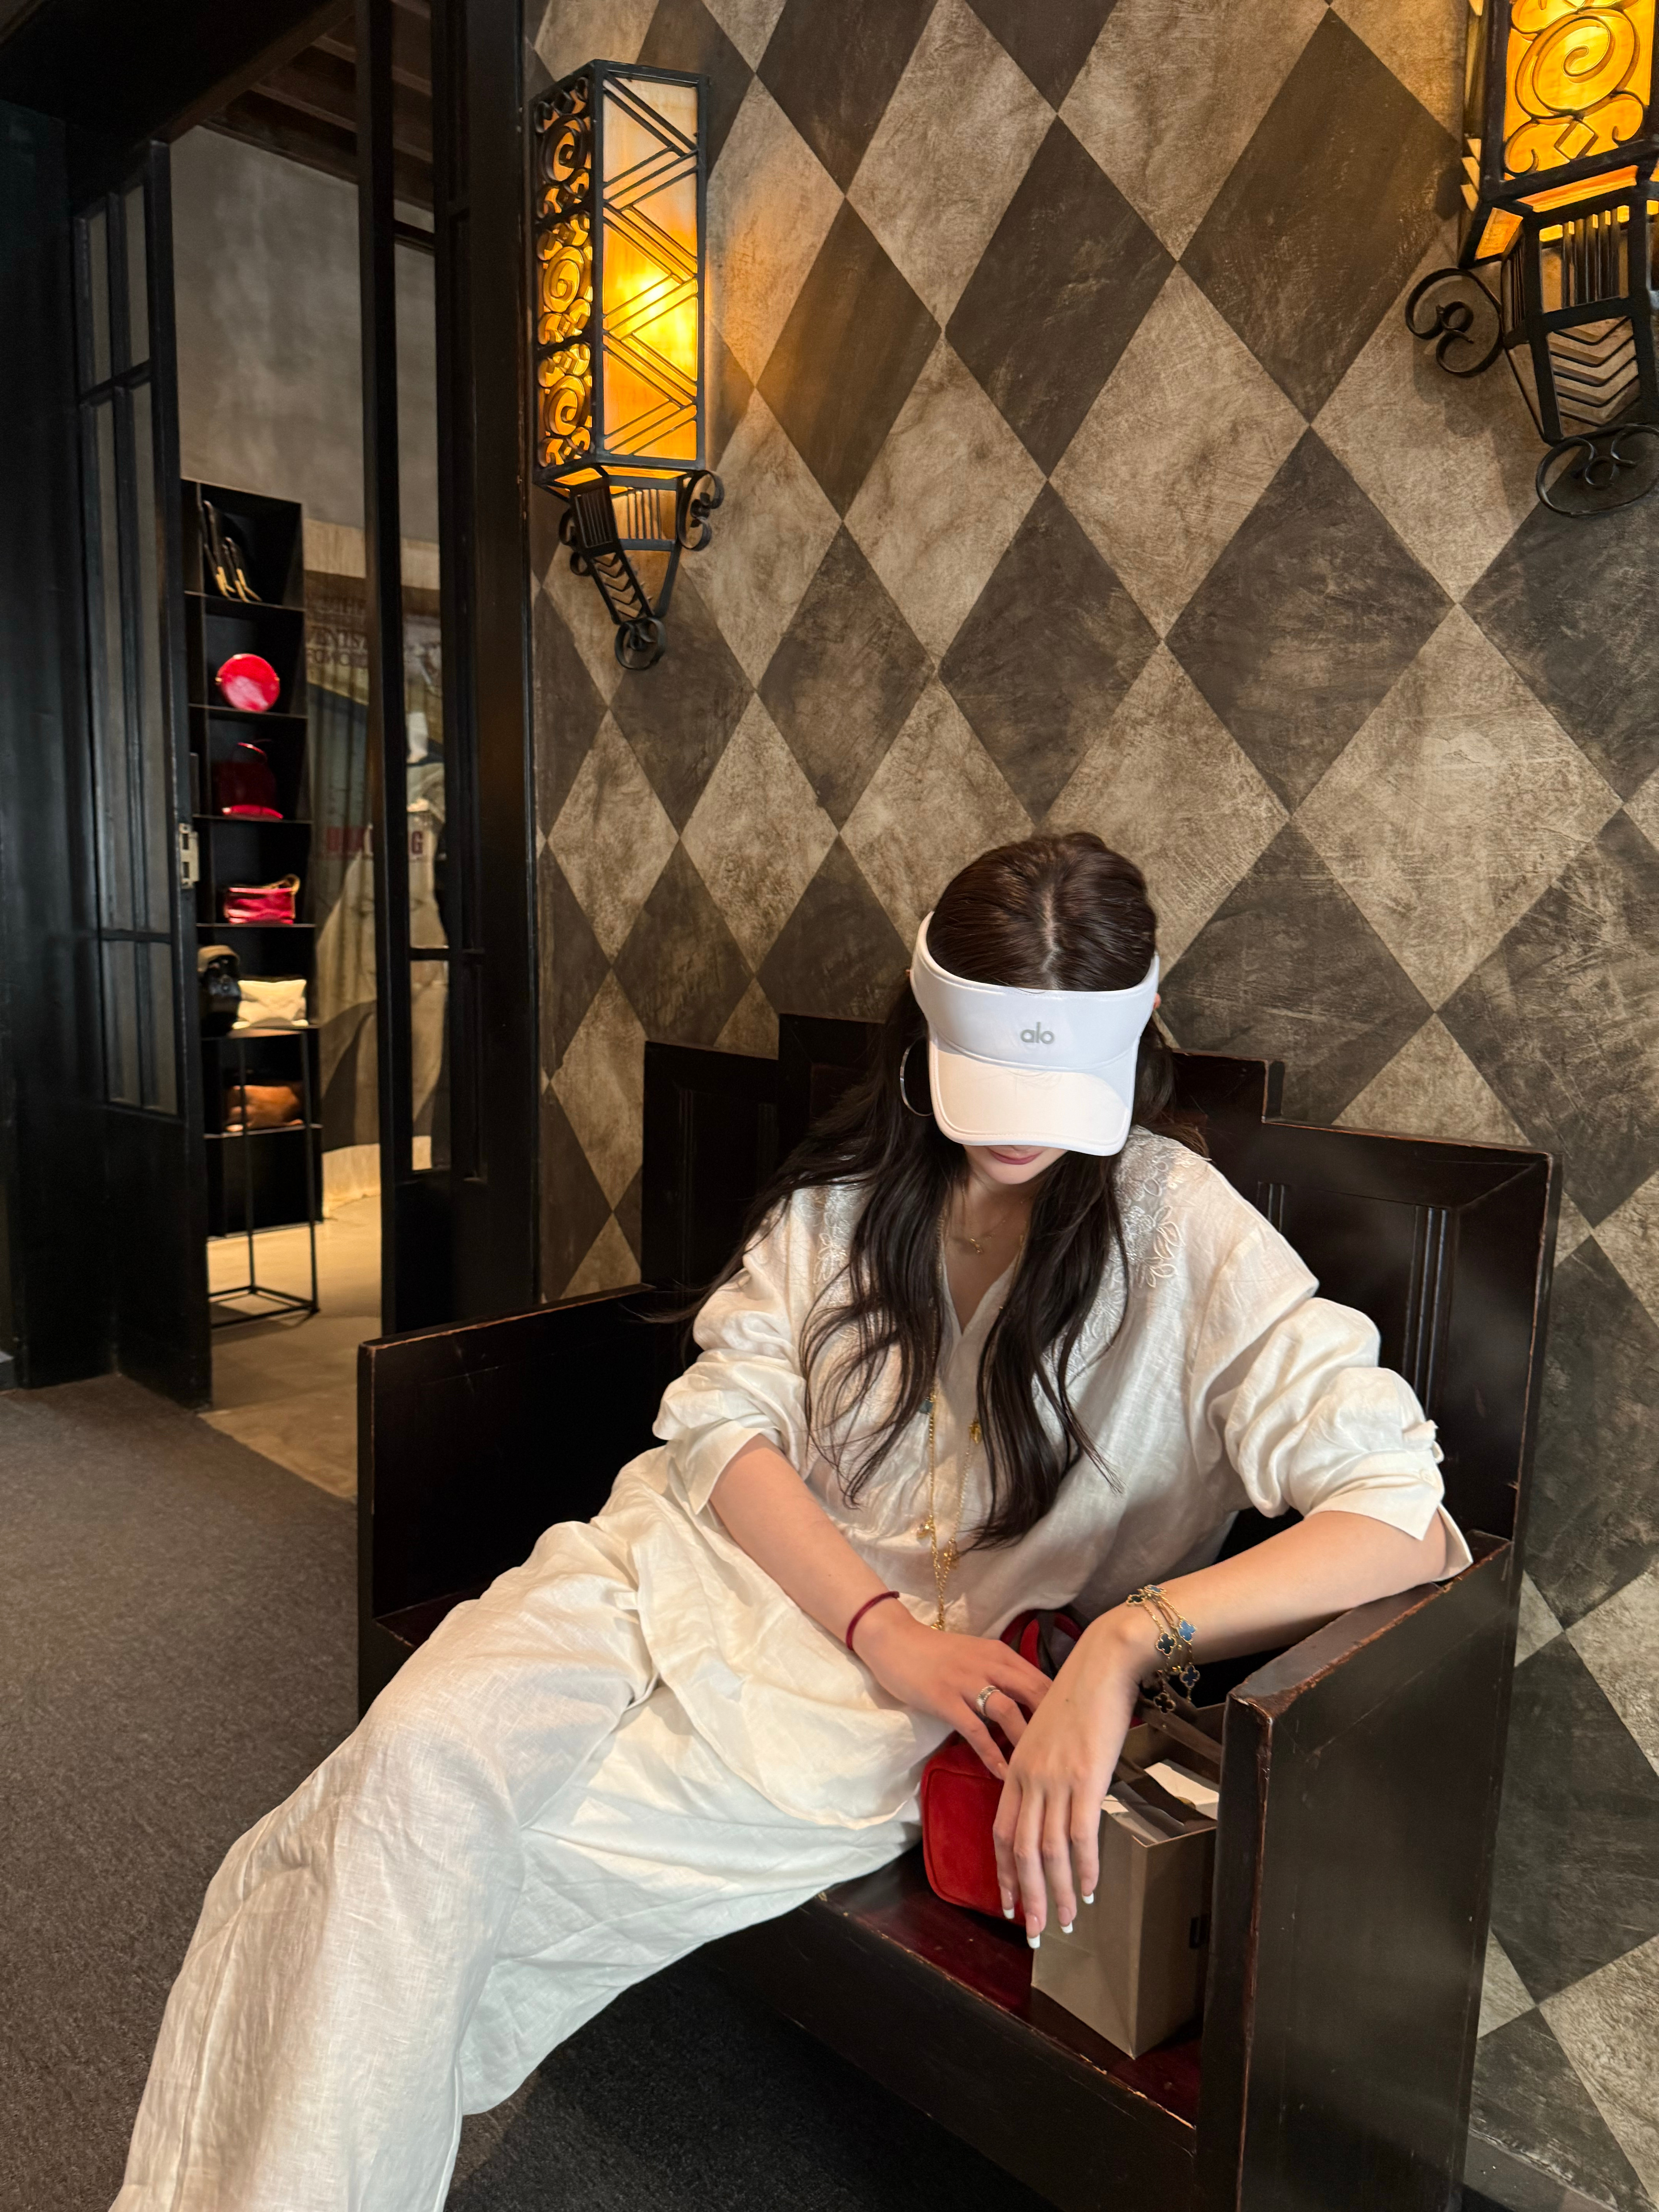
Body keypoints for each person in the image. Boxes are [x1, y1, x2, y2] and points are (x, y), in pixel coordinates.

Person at [115, 833, 1465, 2211]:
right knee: (396, 1786)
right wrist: (880, 1624)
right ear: (924, 1027)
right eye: (986, 1080)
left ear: (1134, 1038)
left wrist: (1126, 1641)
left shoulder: (1182, 1234)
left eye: (1056, 1088)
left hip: (851, 1715)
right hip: (675, 1569)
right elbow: (720, 1430)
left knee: (439, 1888)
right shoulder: (848, 1200)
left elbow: (1400, 1514)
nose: (1016, 1130)